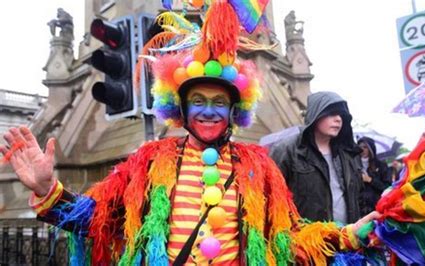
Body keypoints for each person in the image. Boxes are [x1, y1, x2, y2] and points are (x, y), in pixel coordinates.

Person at [0, 5, 380, 265]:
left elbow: (289, 237)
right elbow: (99, 220)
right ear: (180, 108)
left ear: (235, 111)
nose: (209, 110)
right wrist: (48, 190)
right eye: (198, 100)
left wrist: (347, 234)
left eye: (219, 102)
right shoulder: (150, 161)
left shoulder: (258, 169)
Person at [270, 91, 364, 224]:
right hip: (306, 240)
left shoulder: (348, 154)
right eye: (332, 113)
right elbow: (271, 198)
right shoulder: (287, 150)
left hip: (347, 238)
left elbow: (358, 197)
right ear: (316, 115)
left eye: (341, 115)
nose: (338, 119)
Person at [357, 137, 391, 216]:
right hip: (357, 208)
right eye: (360, 147)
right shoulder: (353, 165)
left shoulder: (381, 165)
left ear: (370, 148)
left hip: (375, 207)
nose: (362, 150)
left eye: (365, 147)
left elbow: (387, 188)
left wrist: (370, 180)